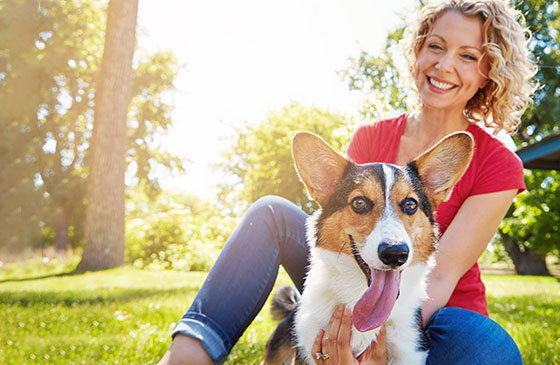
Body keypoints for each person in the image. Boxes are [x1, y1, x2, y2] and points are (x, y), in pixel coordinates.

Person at [159, 0, 537, 363]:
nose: (444, 64)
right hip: (354, 274)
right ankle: (188, 355)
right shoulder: (371, 135)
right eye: (435, 46)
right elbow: (336, 229)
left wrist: (373, 342)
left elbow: (438, 278)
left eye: (468, 56)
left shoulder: (498, 162)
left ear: (490, 71)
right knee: (270, 212)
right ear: (417, 52)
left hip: (437, 308)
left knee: (489, 350)